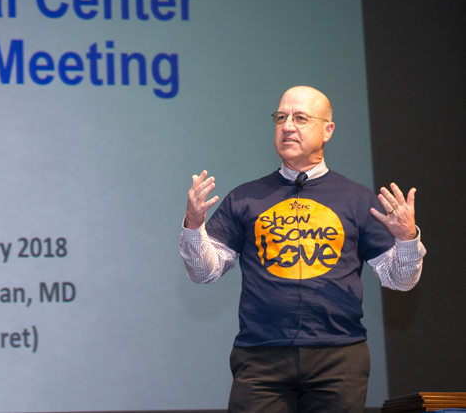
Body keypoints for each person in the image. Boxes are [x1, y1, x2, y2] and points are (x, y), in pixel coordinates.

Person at [180, 86, 425, 413]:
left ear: (327, 130)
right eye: (280, 118)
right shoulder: (245, 198)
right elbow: (204, 273)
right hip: (260, 359)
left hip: (339, 359)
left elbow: (400, 281)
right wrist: (194, 225)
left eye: (300, 118)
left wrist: (407, 238)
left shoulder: (358, 200)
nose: (287, 126)